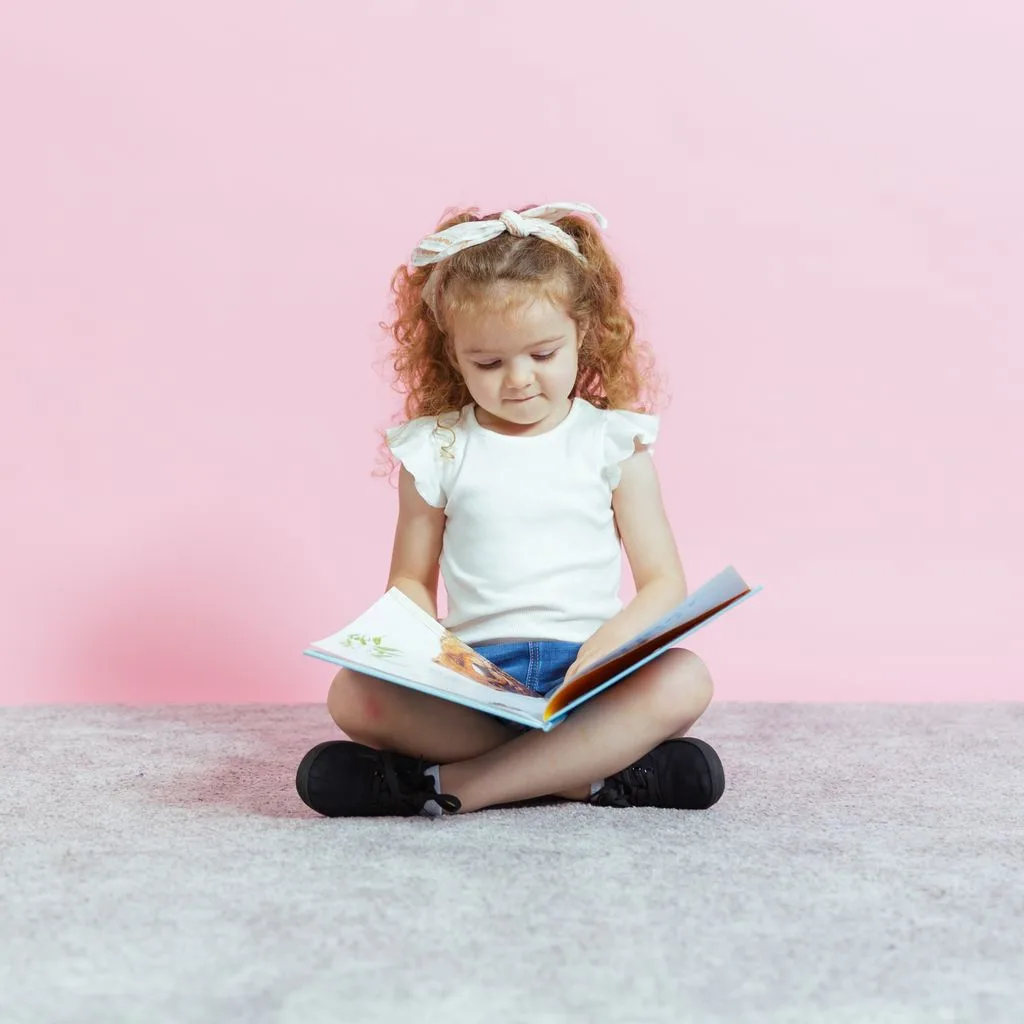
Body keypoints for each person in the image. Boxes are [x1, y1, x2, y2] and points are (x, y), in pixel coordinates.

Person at [295, 201, 725, 818]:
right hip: (479, 684)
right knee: (352, 697)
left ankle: (459, 786)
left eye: (543, 354)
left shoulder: (614, 442)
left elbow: (663, 583)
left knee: (688, 677)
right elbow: (409, 581)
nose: (518, 379)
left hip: (589, 673)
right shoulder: (438, 448)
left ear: (582, 332)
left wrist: (611, 644)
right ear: (453, 354)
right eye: (488, 363)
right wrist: (429, 658)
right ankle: (588, 773)